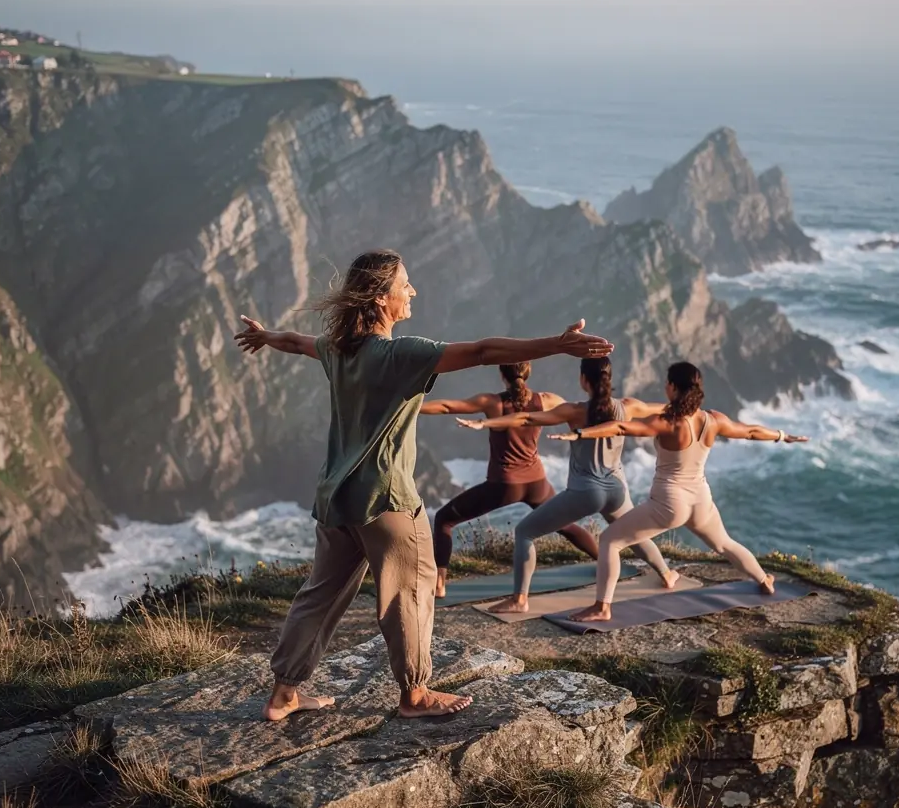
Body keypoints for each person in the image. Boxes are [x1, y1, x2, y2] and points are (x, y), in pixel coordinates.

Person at [234, 248, 613, 719]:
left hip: (336, 498)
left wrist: (266, 336)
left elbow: (296, 342)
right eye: (405, 285)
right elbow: (482, 352)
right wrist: (556, 345)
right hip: (387, 499)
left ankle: (284, 693)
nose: (412, 291)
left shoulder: (337, 349)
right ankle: (415, 696)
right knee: (410, 593)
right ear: (380, 298)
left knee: (320, 596)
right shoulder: (400, 354)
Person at [546, 361, 808, 622]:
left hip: (669, 503)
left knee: (609, 542)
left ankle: (602, 607)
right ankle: (763, 580)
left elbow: (622, 427)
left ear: (672, 387)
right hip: (700, 500)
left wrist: (581, 433)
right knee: (724, 544)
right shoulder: (713, 419)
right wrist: (782, 435)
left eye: (666, 383)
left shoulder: (668, 422)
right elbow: (750, 432)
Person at [454, 357, 681, 614]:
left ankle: (519, 600)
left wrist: (485, 423)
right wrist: (692, 407)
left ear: (583, 380)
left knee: (525, 532)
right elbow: (664, 409)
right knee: (632, 533)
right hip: (617, 490)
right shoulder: (628, 406)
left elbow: (526, 419)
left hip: (586, 493)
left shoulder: (574, 411)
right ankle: (666, 574)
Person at [419, 363, 599, 598]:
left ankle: (439, 585)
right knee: (565, 525)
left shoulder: (492, 403)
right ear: (528, 373)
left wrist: (409, 408)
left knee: (444, 519)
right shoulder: (546, 400)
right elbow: (576, 413)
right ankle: (605, 561)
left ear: (502, 375)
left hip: (504, 485)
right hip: (537, 483)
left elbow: (446, 406)